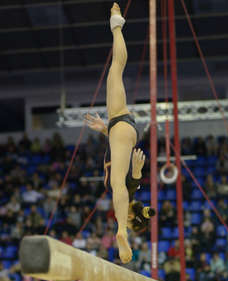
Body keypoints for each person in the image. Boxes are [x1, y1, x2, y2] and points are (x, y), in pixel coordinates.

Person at [85, 3, 154, 263]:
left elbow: (126, 168)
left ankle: (116, 26)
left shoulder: (128, 195)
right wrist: (136, 174)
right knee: (116, 68)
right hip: (122, 127)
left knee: (116, 71)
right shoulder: (129, 192)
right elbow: (131, 183)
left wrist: (104, 129)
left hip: (118, 130)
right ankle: (116, 25)